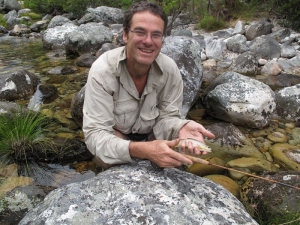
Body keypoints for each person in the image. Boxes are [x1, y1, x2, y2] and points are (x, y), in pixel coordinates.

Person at [82, 1, 215, 170]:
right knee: (110, 161)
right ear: (125, 34)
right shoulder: (103, 71)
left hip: (152, 136)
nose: (148, 41)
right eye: (140, 32)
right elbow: (95, 135)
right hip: (116, 136)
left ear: (162, 39)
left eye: (156, 35)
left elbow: (167, 119)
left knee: (176, 164)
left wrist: (180, 128)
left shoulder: (170, 71)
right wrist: (143, 150)